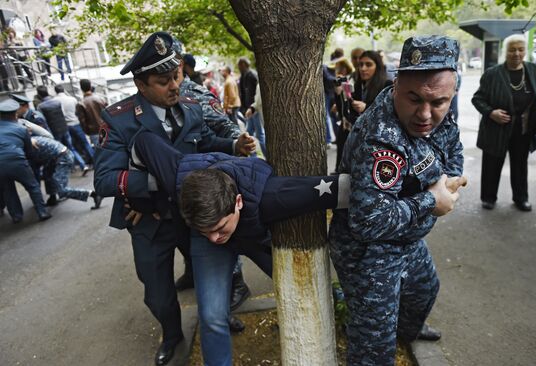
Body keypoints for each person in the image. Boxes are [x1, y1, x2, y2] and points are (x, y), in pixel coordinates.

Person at [93, 32, 255, 366]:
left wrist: (232, 146)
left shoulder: (191, 108)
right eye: (163, 81)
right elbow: (105, 179)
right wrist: (159, 183)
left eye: (176, 76)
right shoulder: (119, 118)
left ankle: (218, 317)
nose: (174, 86)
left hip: (193, 217)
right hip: (150, 221)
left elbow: (205, 141)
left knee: (211, 274)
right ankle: (173, 335)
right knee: (158, 292)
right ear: (141, 84)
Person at [129, 130, 349, 362]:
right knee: (212, 316)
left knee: (304, 287)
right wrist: (140, 200)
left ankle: (343, 311)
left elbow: (341, 189)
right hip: (210, 246)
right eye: (207, 230)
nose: (215, 237)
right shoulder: (176, 175)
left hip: (254, 235)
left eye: (220, 227)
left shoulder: (272, 195)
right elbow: (143, 140)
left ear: (238, 202)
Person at [329, 35, 467, 366]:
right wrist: (431, 200)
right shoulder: (380, 138)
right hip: (369, 250)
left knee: (423, 292)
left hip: (406, 236)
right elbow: (369, 221)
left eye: (438, 102)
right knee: (373, 349)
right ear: (395, 87)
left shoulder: (440, 111)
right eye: (414, 98)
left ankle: (402, 333)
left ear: (450, 95)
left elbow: (453, 148)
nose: (425, 114)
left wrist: (446, 180)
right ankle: (371, 330)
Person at [173, 39, 253, 313]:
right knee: (189, 236)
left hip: (205, 182)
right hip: (175, 186)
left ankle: (236, 283)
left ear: (182, 66)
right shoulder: (148, 102)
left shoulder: (197, 95)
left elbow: (227, 129)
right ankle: (193, 272)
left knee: (218, 233)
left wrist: (236, 154)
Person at [472, 34, 536, 212]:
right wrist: (491, 112)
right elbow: (477, 98)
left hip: (523, 127)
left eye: (520, 49)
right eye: (512, 50)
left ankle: (521, 198)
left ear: (525, 51)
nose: (517, 53)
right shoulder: (492, 74)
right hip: (496, 128)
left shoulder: (534, 69)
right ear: (506, 52)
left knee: (520, 165)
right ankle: (488, 198)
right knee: (492, 163)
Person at [334, 50, 391, 170]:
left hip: (374, 143)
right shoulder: (356, 85)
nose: (363, 68)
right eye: (361, 65)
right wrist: (339, 94)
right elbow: (344, 112)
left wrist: (367, 106)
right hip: (352, 140)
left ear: (378, 66)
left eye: (368, 64)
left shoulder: (386, 85)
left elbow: (389, 112)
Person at [0, 99, 51, 223]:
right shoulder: (21, 129)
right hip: (17, 161)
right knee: (32, 186)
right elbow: (30, 152)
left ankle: (16, 216)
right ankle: (42, 212)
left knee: (8, 190)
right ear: (15, 114)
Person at [30, 135, 102, 208]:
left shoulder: (30, 143)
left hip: (62, 157)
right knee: (47, 174)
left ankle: (94, 194)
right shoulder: (31, 138)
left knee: (62, 191)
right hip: (57, 157)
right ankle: (52, 198)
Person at [36, 85, 90, 178]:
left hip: (54, 131)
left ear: (39, 95)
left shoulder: (40, 106)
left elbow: (42, 121)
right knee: (71, 148)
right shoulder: (57, 102)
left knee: (59, 151)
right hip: (65, 128)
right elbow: (63, 114)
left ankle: (69, 168)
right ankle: (83, 165)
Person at [54, 84, 95, 165]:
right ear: (63, 90)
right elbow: (78, 112)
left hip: (65, 126)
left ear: (56, 91)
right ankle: (95, 160)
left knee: (72, 146)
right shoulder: (72, 99)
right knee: (85, 143)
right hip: (76, 123)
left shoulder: (55, 101)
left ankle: (81, 164)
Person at [76, 79, 107, 148]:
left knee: (101, 153)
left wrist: (87, 131)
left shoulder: (81, 103)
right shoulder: (100, 99)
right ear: (90, 86)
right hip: (106, 129)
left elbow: (82, 121)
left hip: (93, 132)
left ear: (81, 88)